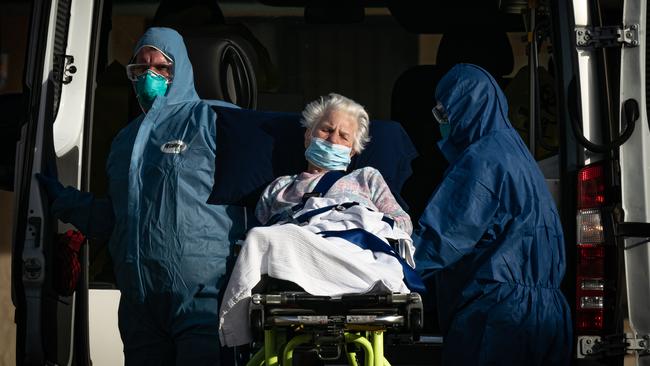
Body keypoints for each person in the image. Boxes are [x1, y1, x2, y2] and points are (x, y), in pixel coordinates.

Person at [37, 27, 230, 365]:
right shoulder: (125, 141)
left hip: (200, 297)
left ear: (180, 70)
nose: (149, 76)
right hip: (140, 303)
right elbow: (120, 216)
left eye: (161, 67)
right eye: (141, 68)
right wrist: (63, 200)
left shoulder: (213, 120)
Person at [218, 93, 418, 346]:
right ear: (308, 135)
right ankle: (237, 337)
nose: (333, 139)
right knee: (260, 238)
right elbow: (264, 231)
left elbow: (401, 222)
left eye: (344, 136)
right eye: (325, 130)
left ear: (354, 149)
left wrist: (365, 221)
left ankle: (234, 335)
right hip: (299, 255)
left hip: (357, 255)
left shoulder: (366, 177)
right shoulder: (279, 187)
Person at [413, 64, 572, 365]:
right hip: (547, 315)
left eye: (444, 113)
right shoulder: (517, 154)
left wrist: (381, 267)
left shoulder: (481, 162)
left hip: (499, 318)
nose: (441, 124)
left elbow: (439, 241)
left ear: (467, 108)